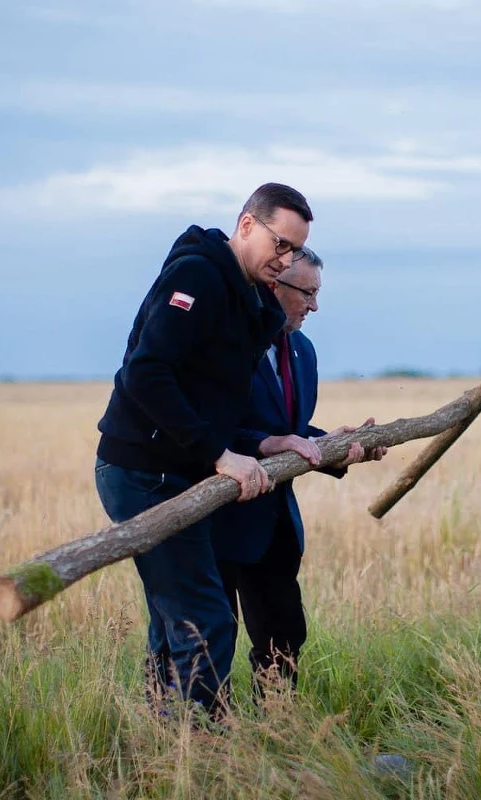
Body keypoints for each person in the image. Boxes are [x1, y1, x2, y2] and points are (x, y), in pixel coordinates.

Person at [93, 183, 325, 720]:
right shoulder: (196, 275)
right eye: (280, 244)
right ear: (246, 225)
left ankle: (163, 735)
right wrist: (221, 456)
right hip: (142, 470)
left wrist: (277, 443)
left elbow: (223, 404)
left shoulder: (244, 295)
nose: (285, 259)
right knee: (206, 617)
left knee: (177, 616)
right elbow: (146, 374)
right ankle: (201, 749)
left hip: (182, 470)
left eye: (294, 249)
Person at [212, 247, 387, 701]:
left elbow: (288, 432)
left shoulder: (303, 351)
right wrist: (263, 445)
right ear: (274, 285)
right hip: (212, 519)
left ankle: (276, 734)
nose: (314, 306)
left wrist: (334, 445)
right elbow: (207, 425)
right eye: (307, 293)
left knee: (284, 635)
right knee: (208, 639)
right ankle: (202, 742)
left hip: (274, 523)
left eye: (317, 294)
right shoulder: (227, 342)